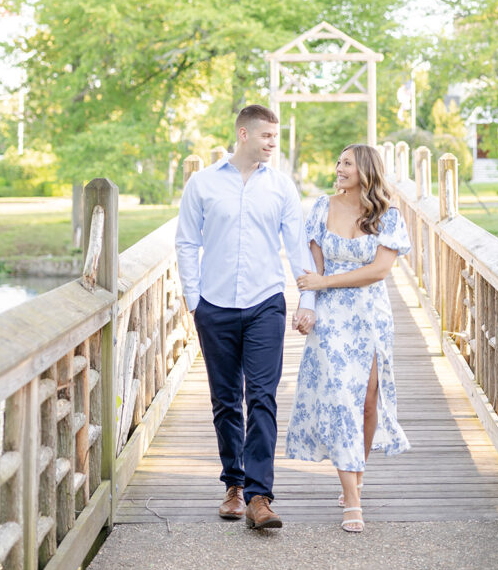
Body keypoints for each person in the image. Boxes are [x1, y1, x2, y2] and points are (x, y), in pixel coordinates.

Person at [175, 105, 316, 530]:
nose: (273, 144)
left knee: (262, 397)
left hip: (265, 303)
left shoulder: (281, 187)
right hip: (214, 305)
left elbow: (296, 247)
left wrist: (307, 298)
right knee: (224, 401)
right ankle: (233, 486)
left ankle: (259, 496)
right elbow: (185, 242)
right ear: (243, 134)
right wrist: (193, 300)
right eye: (267, 137)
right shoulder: (202, 184)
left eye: (276, 137)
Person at [286, 143, 411, 533]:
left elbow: (378, 270)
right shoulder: (322, 207)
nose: (338, 168)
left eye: (346, 163)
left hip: (371, 315)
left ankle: (357, 469)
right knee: (341, 398)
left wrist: (325, 281)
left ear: (366, 171)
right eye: (337, 161)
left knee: (368, 402)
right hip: (331, 317)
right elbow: (312, 266)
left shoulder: (389, 216)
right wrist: (308, 304)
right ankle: (352, 500)